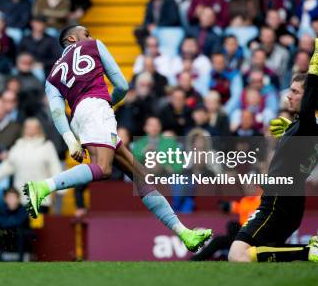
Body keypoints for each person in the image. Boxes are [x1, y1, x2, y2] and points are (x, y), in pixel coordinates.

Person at [23, 25, 212, 252]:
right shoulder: (92, 46)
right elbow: (122, 85)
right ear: (72, 38)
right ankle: (43, 186)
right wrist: (110, 101)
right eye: (86, 32)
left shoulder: (52, 76)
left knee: (142, 177)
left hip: (80, 117)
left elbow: (56, 113)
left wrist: (71, 141)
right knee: (103, 169)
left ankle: (185, 233)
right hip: (97, 109)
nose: (89, 36)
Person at [228, 37, 318, 263]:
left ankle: (310, 252)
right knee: (262, 255)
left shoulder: (309, 121)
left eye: (295, 91)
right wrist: (290, 132)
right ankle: (312, 251)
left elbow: (310, 100)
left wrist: (316, 60)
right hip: (289, 201)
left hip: (278, 202)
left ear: (309, 98)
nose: (288, 95)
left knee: (237, 255)